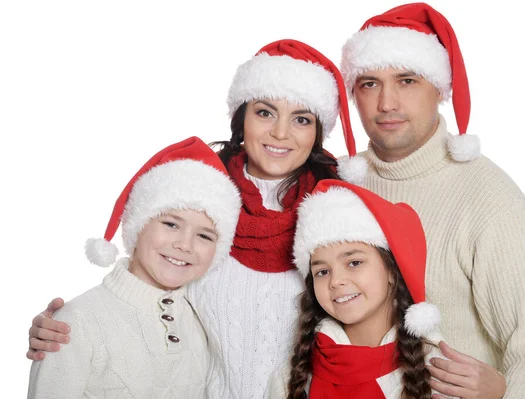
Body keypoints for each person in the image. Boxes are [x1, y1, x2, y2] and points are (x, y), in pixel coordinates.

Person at [26, 40, 362, 399]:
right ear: (241, 118)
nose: (281, 133)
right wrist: (72, 327)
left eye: (301, 119)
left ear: (317, 132)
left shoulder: (339, 206)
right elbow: (149, 281)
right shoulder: (199, 189)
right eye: (265, 112)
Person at [339, 2, 525, 397]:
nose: (387, 103)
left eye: (407, 80)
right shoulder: (337, 188)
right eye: (369, 83)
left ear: (439, 89)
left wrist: (504, 395)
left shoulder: (489, 197)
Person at [27, 136, 242, 398]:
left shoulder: (202, 319)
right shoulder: (77, 321)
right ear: (137, 224)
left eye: (205, 236)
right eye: (171, 224)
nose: (185, 245)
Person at [267, 179, 456, 398]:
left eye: (354, 263)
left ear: (392, 272)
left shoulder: (440, 371)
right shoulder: (291, 378)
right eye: (322, 271)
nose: (336, 281)